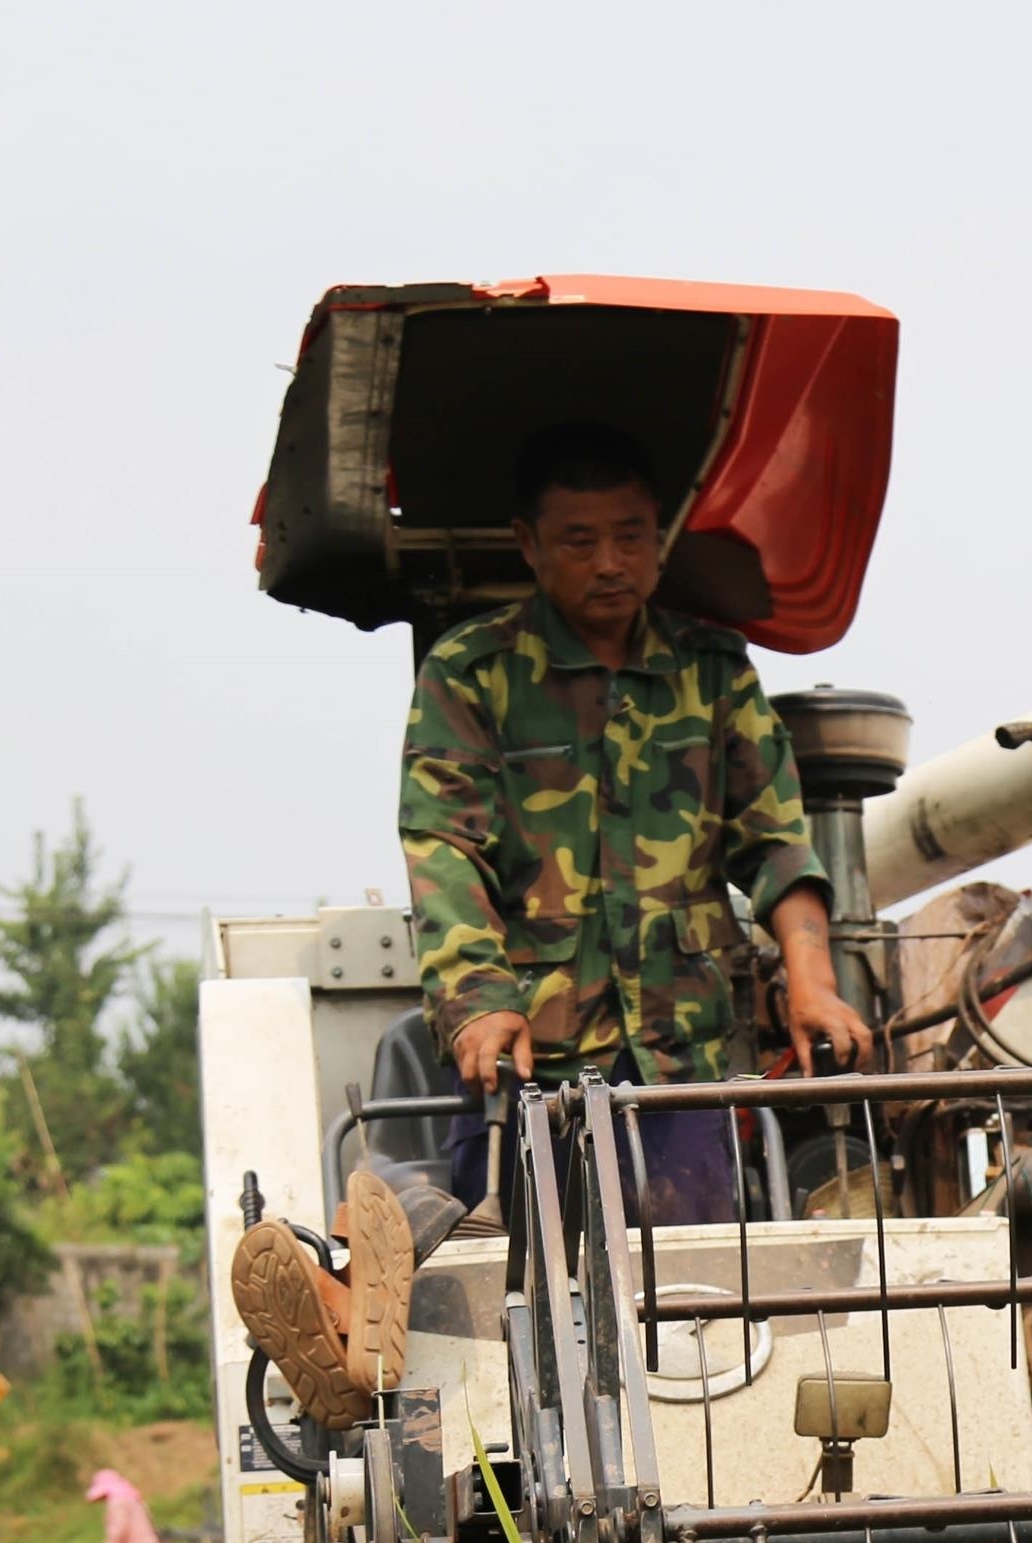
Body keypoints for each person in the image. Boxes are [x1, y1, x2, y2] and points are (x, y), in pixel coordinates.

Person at [226, 419, 874, 1428]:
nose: (611, 562)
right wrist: (481, 1003)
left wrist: (810, 976)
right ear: (529, 545)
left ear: (660, 537)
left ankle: (700, 1488)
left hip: (678, 1067)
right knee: (503, 1308)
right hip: (525, 1066)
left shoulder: (711, 674)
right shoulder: (473, 674)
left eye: (630, 535)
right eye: (579, 540)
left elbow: (778, 845)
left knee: (694, 1317)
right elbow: (444, 852)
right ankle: (376, 1355)